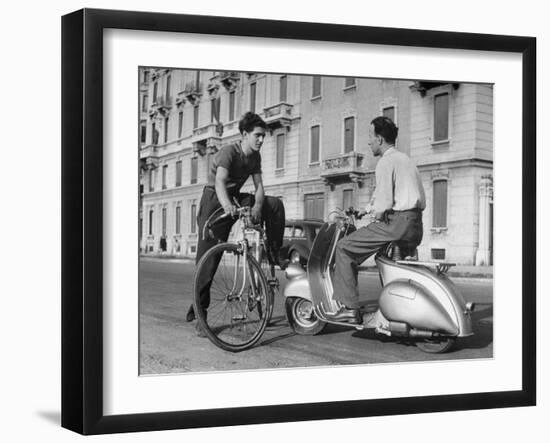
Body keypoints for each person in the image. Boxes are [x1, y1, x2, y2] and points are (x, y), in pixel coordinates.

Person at [186, 112, 286, 333]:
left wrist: (258, 207)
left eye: (263, 136)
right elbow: (220, 182)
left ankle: (275, 252)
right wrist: (228, 207)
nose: (261, 140)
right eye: (257, 135)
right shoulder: (228, 152)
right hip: (214, 202)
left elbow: (259, 187)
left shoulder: (255, 158)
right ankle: (200, 316)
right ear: (244, 134)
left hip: (234, 197)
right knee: (207, 264)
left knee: (274, 204)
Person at [329, 116, 426, 323]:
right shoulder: (405, 160)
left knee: (345, 249)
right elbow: (392, 195)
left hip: (397, 224)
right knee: (387, 259)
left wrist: (374, 213)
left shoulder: (385, 162)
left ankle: (349, 308)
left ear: (380, 139)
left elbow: (383, 205)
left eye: (370, 136)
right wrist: (365, 211)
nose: (368, 142)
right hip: (416, 225)